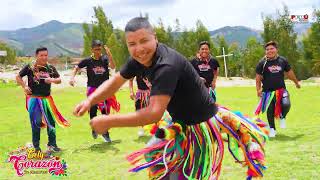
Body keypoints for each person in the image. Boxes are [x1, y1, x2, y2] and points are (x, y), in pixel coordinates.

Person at [73, 17, 268, 179]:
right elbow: (115, 82)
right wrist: (90, 101)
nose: (139, 48)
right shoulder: (139, 59)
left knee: (182, 176)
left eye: (144, 41)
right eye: (132, 44)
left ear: (155, 38)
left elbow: (153, 113)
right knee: (153, 154)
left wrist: (109, 121)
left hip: (199, 128)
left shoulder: (166, 65)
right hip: (178, 122)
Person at [16, 47, 70, 152]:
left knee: (51, 122)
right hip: (34, 99)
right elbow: (18, 77)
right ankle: (36, 147)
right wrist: (24, 86)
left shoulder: (50, 68)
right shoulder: (30, 67)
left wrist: (52, 80)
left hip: (47, 100)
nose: (44, 57)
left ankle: (52, 145)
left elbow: (59, 80)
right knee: (36, 122)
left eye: (46, 55)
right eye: (42, 55)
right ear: (37, 56)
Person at [69, 40, 118, 142]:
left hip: (105, 88)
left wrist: (109, 55)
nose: (98, 51)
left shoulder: (104, 59)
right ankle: (94, 129)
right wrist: (72, 78)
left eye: (99, 49)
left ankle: (105, 133)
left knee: (105, 111)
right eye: (96, 49)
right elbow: (76, 68)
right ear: (92, 49)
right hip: (92, 89)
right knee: (93, 109)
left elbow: (113, 66)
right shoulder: (88, 61)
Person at [255, 41, 301, 138]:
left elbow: (289, 73)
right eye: (267, 49)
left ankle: (282, 116)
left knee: (286, 104)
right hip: (267, 92)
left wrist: (296, 82)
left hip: (281, 90)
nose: (269, 51)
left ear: (276, 49)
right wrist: (258, 90)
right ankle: (272, 129)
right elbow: (258, 78)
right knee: (270, 110)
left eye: (272, 49)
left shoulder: (282, 61)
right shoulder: (262, 63)